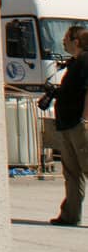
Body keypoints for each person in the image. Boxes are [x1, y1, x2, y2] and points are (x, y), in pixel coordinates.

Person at [50, 25, 88, 226]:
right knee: (71, 172)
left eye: (66, 38)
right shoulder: (74, 63)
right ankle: (70, 215)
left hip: (79, 125)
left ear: (76, 41)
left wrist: (85, 119)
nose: (63, 41)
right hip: (67, 125)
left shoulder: (86, 60)